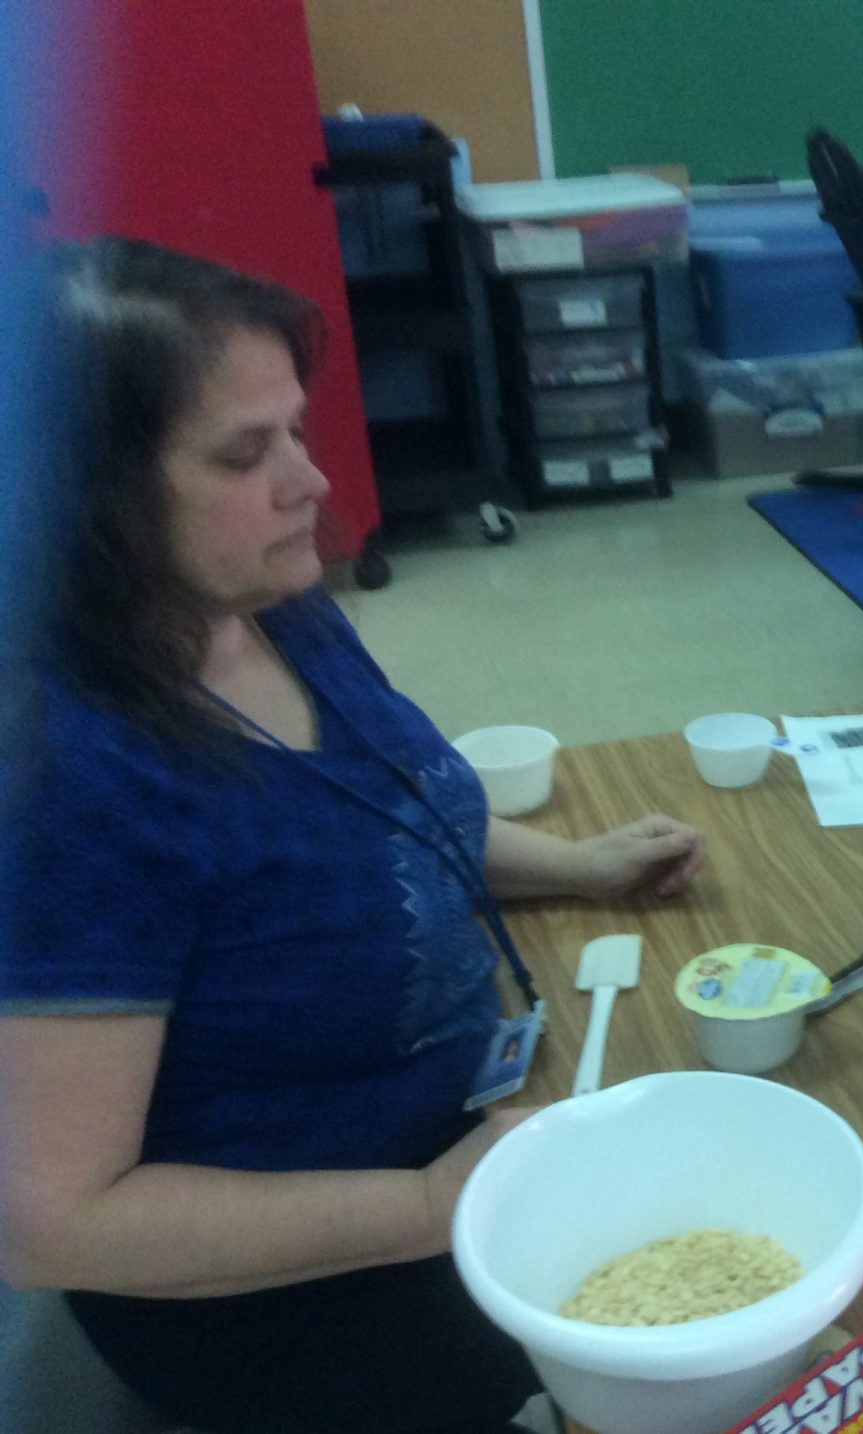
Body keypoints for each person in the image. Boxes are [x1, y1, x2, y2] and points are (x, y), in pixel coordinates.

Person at [0, 238, 706, 1433]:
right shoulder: (75, 784)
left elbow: (373, 826)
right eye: (244, 453)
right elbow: (47, 1220)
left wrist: (579, 866)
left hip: (453, 1146)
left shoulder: (268, 603)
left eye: (295, 430)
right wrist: (425, 1209)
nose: (312, 482)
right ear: (92, 496)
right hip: (282, 1289)